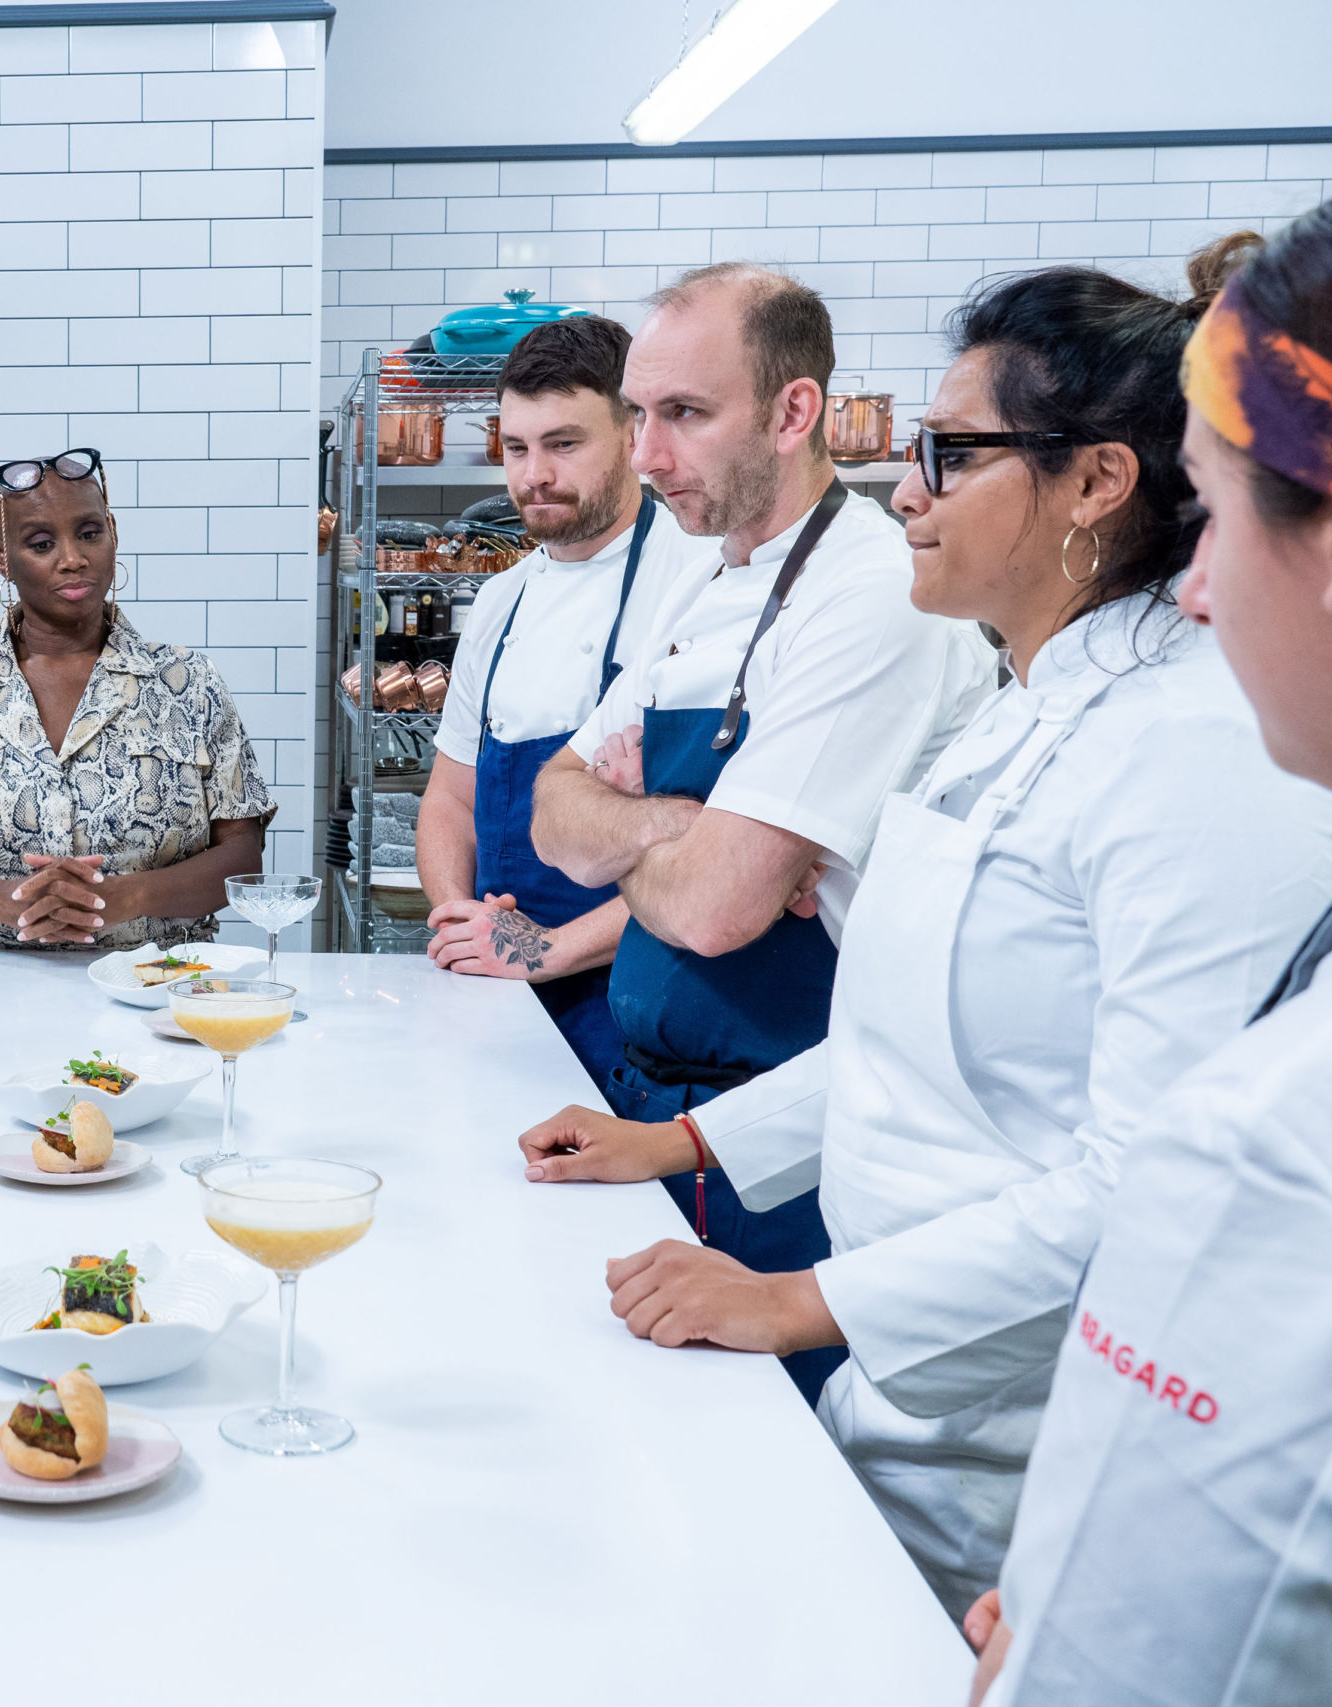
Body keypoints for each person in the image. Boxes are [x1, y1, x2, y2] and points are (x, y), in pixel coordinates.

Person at [513, 246, 1332, 1619]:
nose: (907, 487)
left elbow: (1145, 1185)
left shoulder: (1193, 753)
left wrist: (807, 1299)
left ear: (1095, 483)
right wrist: (690, 1143)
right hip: (907, 1382)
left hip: (1018, 1424)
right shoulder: (1019, 705)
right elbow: (909, 1034)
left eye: (950, 455)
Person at [974, 203, 1332, 1707]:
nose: (1193, 584)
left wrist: (1065, 1617)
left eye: (1220, 511)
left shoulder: (1279, 1141)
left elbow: (1152, 1650)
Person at [527, 263, 999, 1402]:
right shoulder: (709, 587)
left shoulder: (870, 591)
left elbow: (717, 906)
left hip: (787, 1134)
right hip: (665, 1111)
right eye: (638, 415)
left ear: (794, 413)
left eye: (682, 415)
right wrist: (677, 829)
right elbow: (553, 810)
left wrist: (647, 841)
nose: (644, 455)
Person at [416, 314, 707, 1092]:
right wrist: (461, 924)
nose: (533, 475)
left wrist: (547, 949)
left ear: (632, 433)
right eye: (516, 447)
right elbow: (449, 796)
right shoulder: (500, 602)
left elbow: (712, 851)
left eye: (564, 444)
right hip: (499, 995)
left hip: (635, 1005)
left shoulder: (698, 585)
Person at [0, 448, 275, 950]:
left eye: (89, 533)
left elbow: (243, 856)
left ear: (113, 534)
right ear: (2, 558)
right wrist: (8, 902)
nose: (73, 558)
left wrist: (123, 897)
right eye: (40, 543)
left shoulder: (188, 682)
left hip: (151, 984)